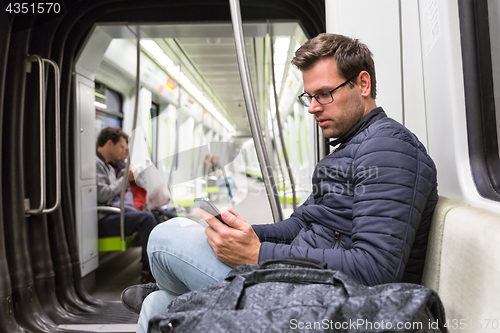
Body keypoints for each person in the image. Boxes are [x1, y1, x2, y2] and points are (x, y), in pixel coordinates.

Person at [123, 33, 438, 331]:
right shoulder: (352, 150)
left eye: (324, 94)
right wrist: (246, 234)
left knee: (167, 236)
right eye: (309, 97)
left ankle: (173, 281)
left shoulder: (389, 150)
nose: (313, 107)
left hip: (331, 301)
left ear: (363, 84)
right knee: (157, 305)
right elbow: (300, 224)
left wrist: (257, 255)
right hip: (301, 280)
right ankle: (171, 286)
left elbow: (375, 270)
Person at [96, 126, 158, 282]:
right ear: (110, 143)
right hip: (102, 218)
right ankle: (149, 271)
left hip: (113, 212)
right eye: (122, 147)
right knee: (146, 219)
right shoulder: (95, 164)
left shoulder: (108, 166)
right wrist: (124, 180)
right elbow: (102, 194)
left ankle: (152, 265)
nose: (123, 150)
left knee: (153, 215)